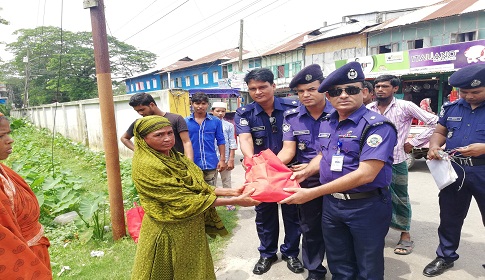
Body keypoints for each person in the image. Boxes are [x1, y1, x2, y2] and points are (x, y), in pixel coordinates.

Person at [280, 61, 397, 280]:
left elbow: (366, 174)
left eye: (350, 90)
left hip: (366, 205)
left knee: (367, 266)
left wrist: (314, 192)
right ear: (329, 96)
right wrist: (304, 173)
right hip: (332, 205)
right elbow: (324, 155)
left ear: (364, 92)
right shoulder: (328, 122)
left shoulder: (377, 126)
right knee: (339, 264)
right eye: (336, 92)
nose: (343, 96)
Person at [130, 115, 259, 280]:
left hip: (191, 228)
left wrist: (232, 192)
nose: (167, 138)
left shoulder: (176, 157)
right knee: (164, 272)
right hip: (167, 231)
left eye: (170, 133)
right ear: (142, 139)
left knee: (194, 268)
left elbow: (197, 186)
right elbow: (182, 200)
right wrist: (235, 201)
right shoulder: (147, 165)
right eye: (159, 135)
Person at [234, 68, 302, 275]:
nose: (258, 92)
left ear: (273, 86)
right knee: (264, 215)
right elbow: (245, 140)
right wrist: (252, 161)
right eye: (252, 88)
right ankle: (267, 253)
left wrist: (272, 168)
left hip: (288, 172)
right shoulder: (244, 113)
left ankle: (291, 253)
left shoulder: (293, 108)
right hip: (260, 174)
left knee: (292, 214)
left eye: (262, 87)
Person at [423, 63, 485, 277]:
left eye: (475, 92)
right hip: (455, 170)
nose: (468, 96)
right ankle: (445, 256)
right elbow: (440, 131)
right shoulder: (451, 108)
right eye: (464, 91)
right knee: (449, 217)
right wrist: (434, 146)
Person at [367, 75, 438, 255]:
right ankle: (376, 231)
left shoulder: (405, 106)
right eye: (377, 86)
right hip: (371, 162)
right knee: (373, 197)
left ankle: (405, 234)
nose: (380, 89)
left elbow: (435, 123)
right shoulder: (369, 108)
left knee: (399, 198)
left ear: (395, 89)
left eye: (384, 86)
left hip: (396, 160)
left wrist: (414, 142)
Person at [277, 64, 332, 280]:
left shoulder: (339, 112)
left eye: (311, 89)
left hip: (338, 178)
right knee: (310, 229)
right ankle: (315, 271)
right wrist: (265, 166)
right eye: (300, 91)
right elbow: (287, 151)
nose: (305, 95)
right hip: (307, 182)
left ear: (324, 88)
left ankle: (341, 270)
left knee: (336, 229)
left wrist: (310, 167)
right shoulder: (292, 117)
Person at [0, 114, 52, 279]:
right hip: (19, 261)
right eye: (1, 136)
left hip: (33, 253)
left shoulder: (4, 171)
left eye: (8, 133)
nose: (10, 140)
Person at [120, 92, 194, 160]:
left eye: (142, 109)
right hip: (152, 164)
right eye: (137, 111)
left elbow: (186, 142)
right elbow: (124, 138)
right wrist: (138, 150)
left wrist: (189, 164)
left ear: (151, 105)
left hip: (177, 163)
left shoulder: (176, 119)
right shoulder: (140, 123)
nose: (140, 113)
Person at [185, 92, 226, 185]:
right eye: (197, 103)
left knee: (211, 192)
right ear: (192, 104)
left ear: (208, 104)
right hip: (192, 164)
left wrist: (222, 160)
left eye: (203, 103)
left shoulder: (216, 121)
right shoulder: (185, 122)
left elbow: (221, 140)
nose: (200, 106)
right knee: (195, 192)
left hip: (210, 163)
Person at [210, 101, 238, 211]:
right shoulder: (208, 124)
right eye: (218, 111)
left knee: (226, 181)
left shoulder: (229, 125)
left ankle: (229, 202)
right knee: (212, 182)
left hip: (225, 158)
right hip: (212, 158)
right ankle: (212, 203)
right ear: (212, 111)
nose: (220, 113)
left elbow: (232, 142)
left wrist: (231, 159)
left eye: (223, 111)